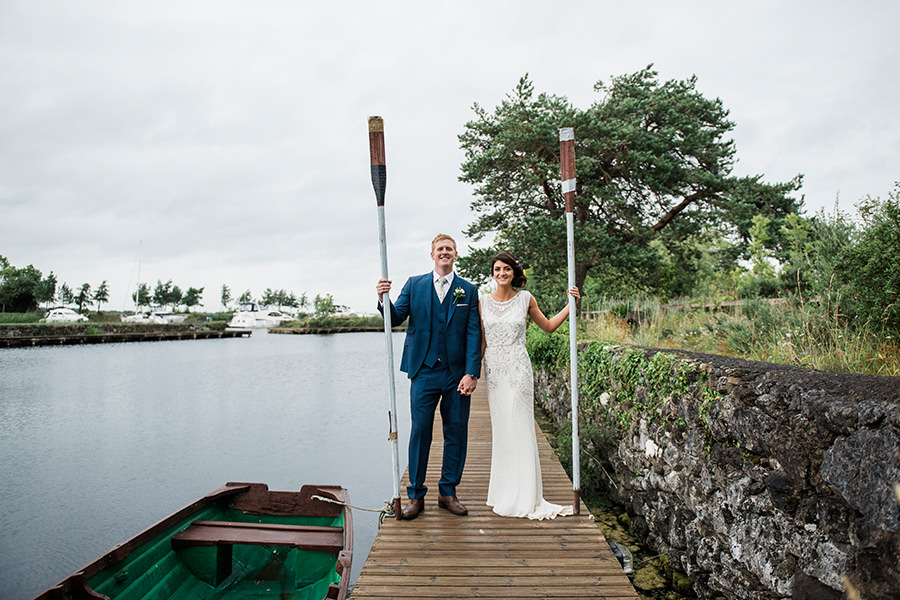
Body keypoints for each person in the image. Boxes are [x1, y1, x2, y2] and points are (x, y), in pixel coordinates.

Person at [376, 234, 482, 520]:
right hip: (423, 370)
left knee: (456, 432)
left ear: (456, 255)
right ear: (432, 255)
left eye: (449, 249)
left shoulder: (468, 291)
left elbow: (474, 334)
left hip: (456, 374)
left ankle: (447, 492)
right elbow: (395, 317)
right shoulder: (414, 285)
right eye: (440, 249)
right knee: (421, 431)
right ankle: (415, 495)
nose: (444, 253)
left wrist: (472, 373)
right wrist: (382, 298)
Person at [480, 251, 579, 519]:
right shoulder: (482, 303)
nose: (502, 273)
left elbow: (547, 326)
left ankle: (526, 495)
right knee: (503, 430)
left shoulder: (526, 298)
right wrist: (470, 372)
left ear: (514, 273)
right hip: (495, 373)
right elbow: (481, 342)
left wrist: (570, 307)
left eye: (507, 269)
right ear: (493, 273)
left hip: (518, 371)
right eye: (497, 269)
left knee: (520, 428)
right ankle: (504, 492)